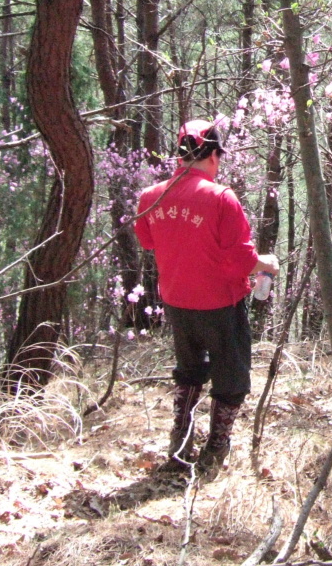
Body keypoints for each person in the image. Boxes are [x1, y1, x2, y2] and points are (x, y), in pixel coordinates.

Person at [134, 118, 280, 474]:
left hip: (176, 301)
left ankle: (180, 438)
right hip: (220, 304)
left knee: (189, 371)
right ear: (213, 155)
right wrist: (269, 264)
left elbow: (146, 241)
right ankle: (216, 448)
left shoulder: (151, 197)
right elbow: (243, 260)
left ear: (179, 157)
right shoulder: (221, 199)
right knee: (231, 378)